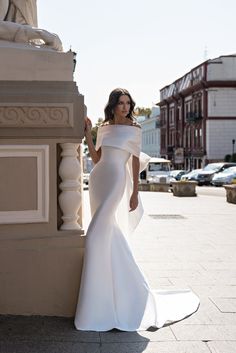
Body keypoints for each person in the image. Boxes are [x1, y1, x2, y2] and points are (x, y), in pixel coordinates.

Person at [74, 88, 200, 331]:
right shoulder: (104, 127)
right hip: (100, 180)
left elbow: (133, 161)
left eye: (128, 103)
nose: (125, 107)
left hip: (117, 182)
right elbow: (98, 159)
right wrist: (87, 134)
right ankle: (105, 303)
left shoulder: (134, 129)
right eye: (121, 103)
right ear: (112, 105)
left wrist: (135, 192)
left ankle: (119, 298)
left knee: (94, 237)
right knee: (106, 235)